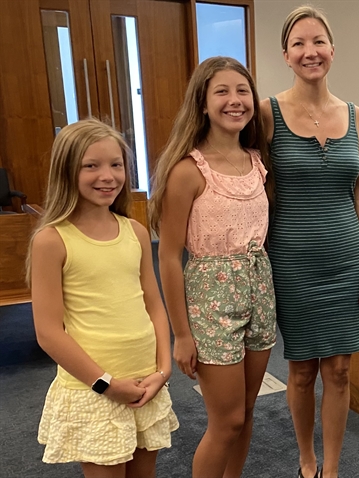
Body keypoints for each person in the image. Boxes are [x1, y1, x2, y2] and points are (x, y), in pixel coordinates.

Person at [259, 7, 359, 478]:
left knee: (341, 370)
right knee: (304, 369)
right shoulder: (267, 113)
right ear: (285, 55)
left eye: (319, 41)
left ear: (332, 49)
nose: (311, 51)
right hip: (291, 262)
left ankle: (331, 469)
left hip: (346, 258)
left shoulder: (356, 115)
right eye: (299, 43)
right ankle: (306, 459)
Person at [29, 119, 178, 477]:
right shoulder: (52, 240)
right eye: (91, 166)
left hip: (145, 379)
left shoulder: (136, 231)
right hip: (95, 389)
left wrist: (164, 367)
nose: (107, 176)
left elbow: (153, 305)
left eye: (116, 164)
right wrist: (105, 384)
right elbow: (48, 332)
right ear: (67, 172)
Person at [150, 56, 275, 478]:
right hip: (211, 299)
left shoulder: (258, 162)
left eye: (242, 91)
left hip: (260, 291)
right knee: (227, 422)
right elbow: (168, 256)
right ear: (202, 103)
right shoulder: (187, 171)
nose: (235, 100)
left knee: (248, 410)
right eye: (221, 91)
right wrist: (181, 334)